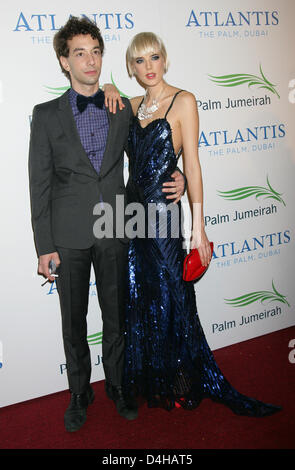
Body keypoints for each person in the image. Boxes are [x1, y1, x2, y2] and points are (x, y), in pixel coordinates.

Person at [28, 18, 185, 432]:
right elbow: (38, 184)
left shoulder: (122, 108)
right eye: (79, 53)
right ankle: (80, 392)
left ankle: (117, 385)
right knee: (73, 321)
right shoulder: (45, 115)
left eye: (95, 51)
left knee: (117, 317)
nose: (90, 60)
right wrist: (45, 245)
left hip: (116, 226)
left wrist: (179, 174)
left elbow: (159, 138)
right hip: (69, 235)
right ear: (65, 61)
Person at [122, 32, 281, 417]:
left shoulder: (184, 101)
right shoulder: (128, 105)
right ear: (132, 66)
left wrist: (199, 225)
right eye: (139, 61)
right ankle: (152, 379)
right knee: (140, 294)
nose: (148, 67)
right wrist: (109, 83)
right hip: (130, 216)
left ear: (165, 59)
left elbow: (191, 164)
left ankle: (182, 380)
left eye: (154, 57)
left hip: (162, 216)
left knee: (172, 296)